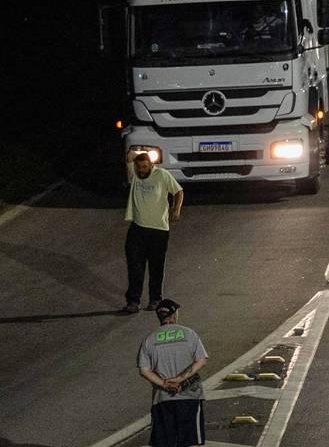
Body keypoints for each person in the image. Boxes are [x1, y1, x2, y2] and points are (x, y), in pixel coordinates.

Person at [138, 299, 209, 447]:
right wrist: (180, 379)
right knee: (192, 441)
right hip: (189, 397)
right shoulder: (189, 333)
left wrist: (164, 383)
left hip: (162, 399)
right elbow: (201, 360)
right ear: (173, 314)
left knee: (165, 443)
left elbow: (144, 370)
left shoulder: (149, 340)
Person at [123, 152, 184, 314]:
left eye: (145, 166)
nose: (141, 170)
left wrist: (176, 210)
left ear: (151, 165)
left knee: (156, 266)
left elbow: (178, 192)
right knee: (135, 266)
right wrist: (138, 156)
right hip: (137, 228)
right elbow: (129, 155)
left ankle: (155, 298)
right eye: (139, 167)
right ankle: (133, 301)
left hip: (159, 230)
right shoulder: (134, 174)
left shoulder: (162, 175)